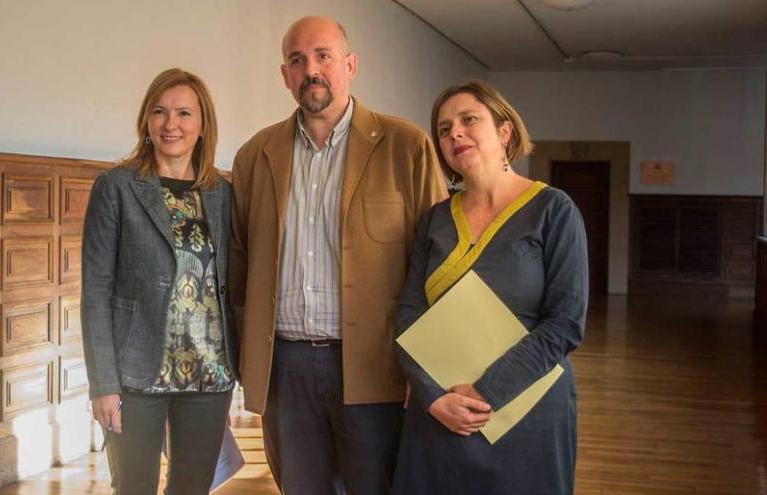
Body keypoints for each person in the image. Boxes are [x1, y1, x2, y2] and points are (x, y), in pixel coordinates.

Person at [229, 15, 448, 495]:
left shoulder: (405, 146)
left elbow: (436, 263)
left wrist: (428, 367)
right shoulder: (254, 156)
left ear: (350, 65)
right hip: (285, 369)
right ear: (285, 76)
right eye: (297, 60)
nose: (311, 69)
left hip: (376, 364)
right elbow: (239, 267)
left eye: (323, 56)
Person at [393, 80, 588, 495]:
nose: (455, 134)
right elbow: (408, 313)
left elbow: (566, 323)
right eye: (444, 129)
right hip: (439, 409)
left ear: (505, 132)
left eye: (469, 120)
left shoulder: (554, 210)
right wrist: (431, 396)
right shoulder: (435, 219)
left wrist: (484, 393)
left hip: (525, 409)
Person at [81, 67, 238, 495]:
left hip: (210, 373)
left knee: (192, 489)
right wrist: (103, 384)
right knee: (133, 488)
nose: (172, 124)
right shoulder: (116, 187)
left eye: (184, 113)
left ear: (202, 124)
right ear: (146, 121)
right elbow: (94, 292)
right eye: (160, 112)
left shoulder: (223, 194)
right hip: (135, 377)